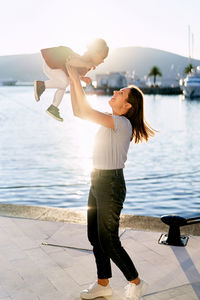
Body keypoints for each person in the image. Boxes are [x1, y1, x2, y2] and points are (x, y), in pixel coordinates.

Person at [66, 63, 156, 300]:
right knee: (95, 237)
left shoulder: (122, 123)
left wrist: (76, 79)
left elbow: (84, 111)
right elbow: (78, 110)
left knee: (108, 239)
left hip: (111, 184)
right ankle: (103, 284)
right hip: (98, 180)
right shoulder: (111, 119)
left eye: (121, 93)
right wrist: (74, 80)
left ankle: (136, 282)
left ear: (127, 106)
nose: (115, 92)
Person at [34, 38, 109, 121]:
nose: (102, 61)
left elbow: (72, 71)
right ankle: (41, 85)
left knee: (63, 86)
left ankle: (53, 107)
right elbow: (71, 62)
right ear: (94, 53)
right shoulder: (83, 60)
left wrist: (82, 78)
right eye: (102, 57)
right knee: (64, 83)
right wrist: (86, 64)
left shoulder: (86, 67)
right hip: (52, 64)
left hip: (57, 69)